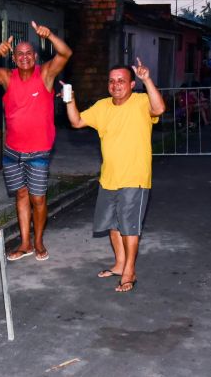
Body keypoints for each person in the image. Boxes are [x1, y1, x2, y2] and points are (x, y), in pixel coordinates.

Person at [0, 21, 72, 262]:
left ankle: (38, 241)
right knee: (21, 196)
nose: (25, 57)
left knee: (38, 198)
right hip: (12, 152)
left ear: (35, 57)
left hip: (38, 151)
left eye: (29, 53)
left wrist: (49, 35)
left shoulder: (45, 74)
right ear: (14, 58)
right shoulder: (7, 77)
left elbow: (66, 53)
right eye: (20, 54)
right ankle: (25, 243)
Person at [64, 59, 165, 292]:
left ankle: (130, 270)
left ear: (131, 84)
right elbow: (76, 121)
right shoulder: (102, 107)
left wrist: (147, 79)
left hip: (135, 177)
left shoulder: (141, 101)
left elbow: (159, 109)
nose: (116, 85)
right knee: (112, 224)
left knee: (129, 226)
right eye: (112, 81)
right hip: (109, 177)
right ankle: (120, 264)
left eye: (121, 81)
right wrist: (69, 100)